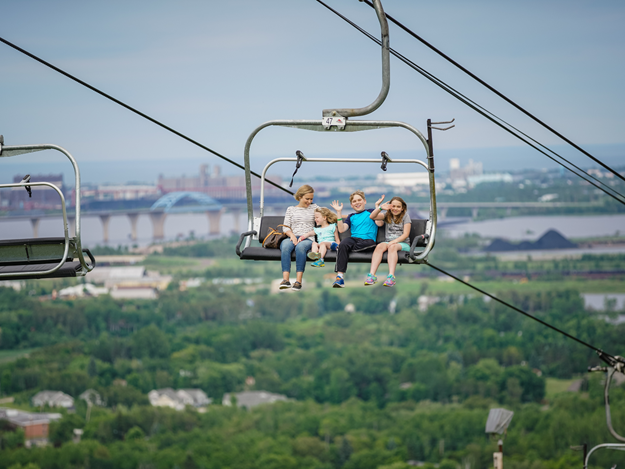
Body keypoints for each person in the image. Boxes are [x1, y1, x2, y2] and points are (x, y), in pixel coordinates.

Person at [330, 190, 379, 288]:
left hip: (368, 241)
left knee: (344, 247)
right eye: (354, 201)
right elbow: (341, 229)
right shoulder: (351, 216)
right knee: (344, 243)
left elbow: (380, 223)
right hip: (354, 240)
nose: (357, 203)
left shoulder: (371, 212)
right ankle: (340, 277)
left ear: (364, 201)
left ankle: (343, 249)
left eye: (359, 200)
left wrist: (378, 207)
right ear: (351, 205)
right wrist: (339, 212)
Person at [365, 195, 411, 287]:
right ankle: (372, 275)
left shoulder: (405, 216)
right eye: (393, 206)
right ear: (390, 207)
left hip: (403, 243)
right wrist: (380, 207)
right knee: (379, 246)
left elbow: (405, 234)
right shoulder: (387, 215)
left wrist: (394, 242)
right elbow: (372, 216)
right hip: (389, 242)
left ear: (402, 208)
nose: (395, 209)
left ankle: (391, 276)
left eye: (398, 207)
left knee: (392, 247)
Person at [279, 184, 318, 291]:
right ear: (300, 197)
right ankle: (285, 280)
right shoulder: (291, 209)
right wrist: (292, 236)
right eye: (307, 199)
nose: (309, 201)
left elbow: (326, 218)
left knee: (300, 248)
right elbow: (286, 227)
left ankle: (298, 281)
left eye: (311, 199)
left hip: (308, 237)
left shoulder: (315, 208)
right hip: (293, 236)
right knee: (286, 246)